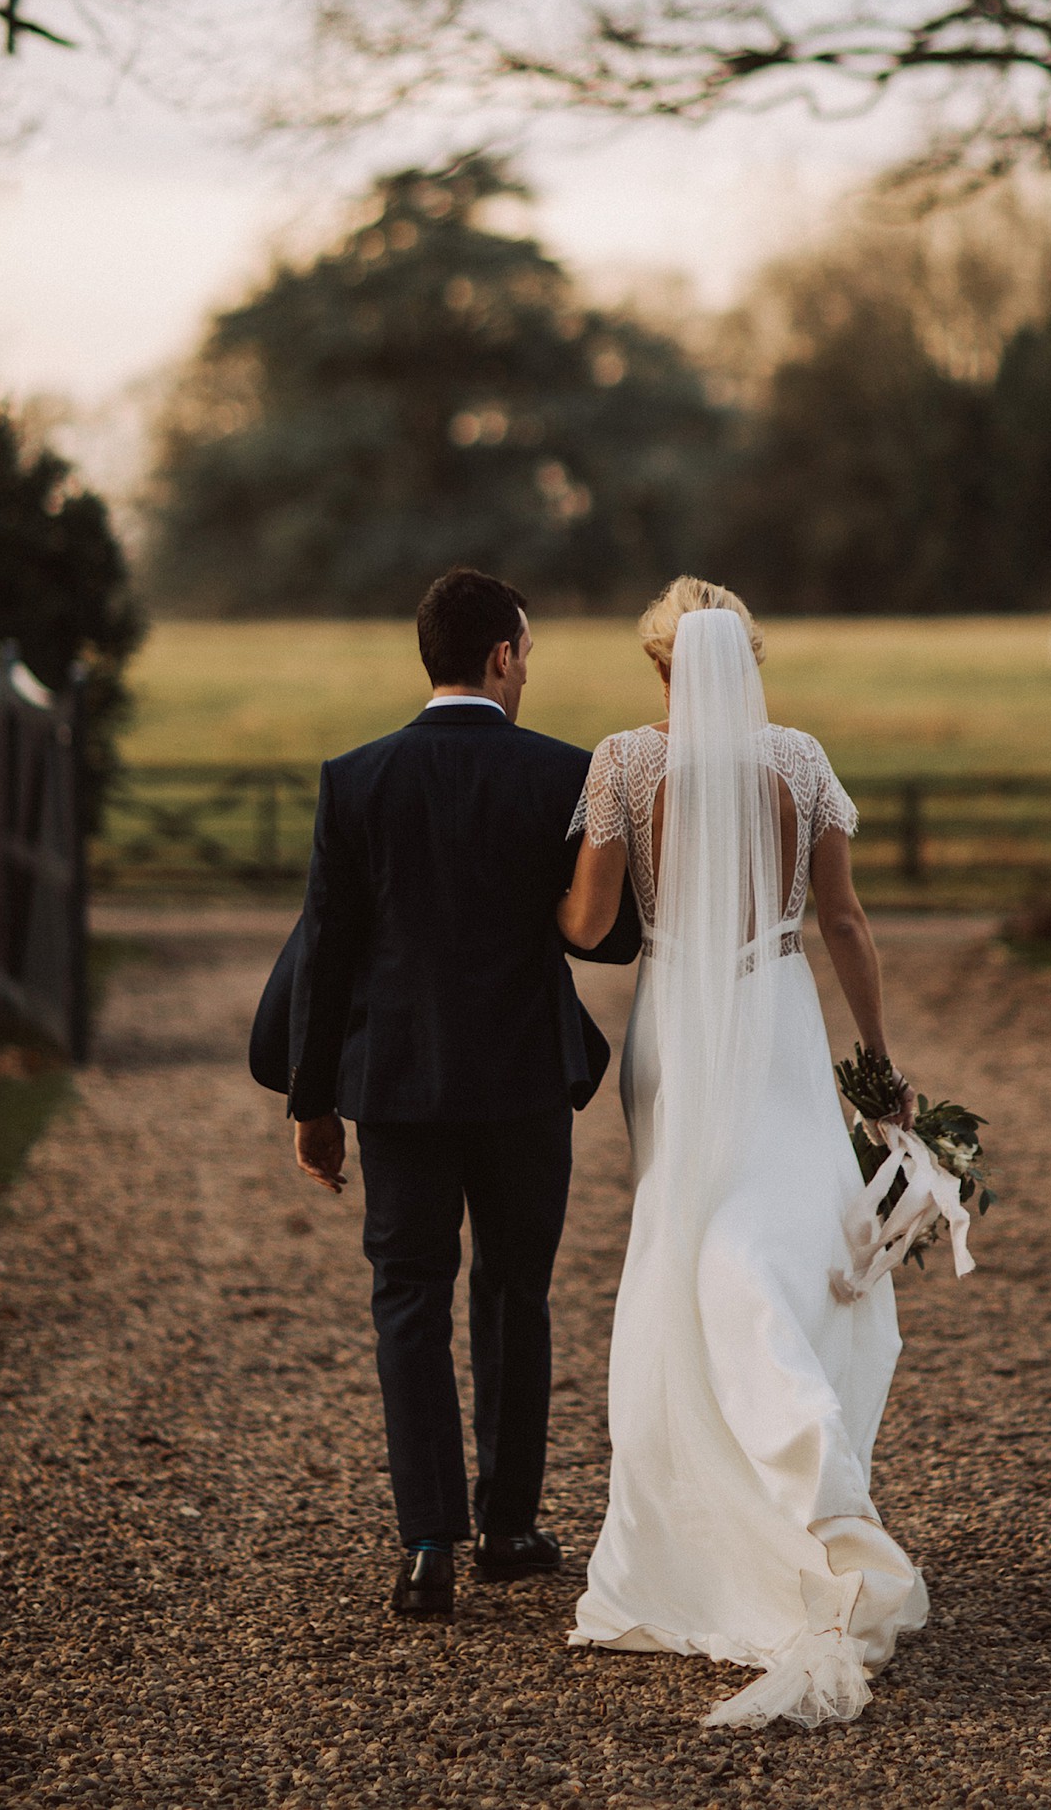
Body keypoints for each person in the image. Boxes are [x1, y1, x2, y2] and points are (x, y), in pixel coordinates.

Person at [556, 576, 929, 1729]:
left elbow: (582, 924)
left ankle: (722, 1497)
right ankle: (800, 1462)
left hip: (677, 1017)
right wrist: (875, 1063)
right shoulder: (799, 761)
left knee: (685, 1236)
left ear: (660, 663)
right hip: (772, 1018)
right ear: (749, 657)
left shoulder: (623, 763)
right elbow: (846, 921)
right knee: (777, 1228)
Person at [286, 567, 638, 1620]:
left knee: (407, 1301)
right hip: (524, 1081)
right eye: (525, 653)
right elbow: (609, 935)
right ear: (498, 657)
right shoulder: (564, 775)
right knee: (511, 1295)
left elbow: (325, 955)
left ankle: (427, 1544)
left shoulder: (356, 780)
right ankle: (512, 1526)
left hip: (394, 1088)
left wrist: (311, 1103)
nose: (527, 670)